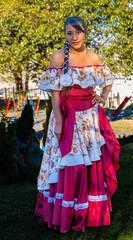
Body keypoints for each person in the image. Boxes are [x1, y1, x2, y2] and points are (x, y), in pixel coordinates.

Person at [35, 16, 120, 233]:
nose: (74, 37)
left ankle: (89, 213)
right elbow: (54, 93)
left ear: (85, 32)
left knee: (89, 165)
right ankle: (67, 215)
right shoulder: (58, 57)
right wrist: (59, 122)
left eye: (78, 32)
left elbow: (108, 81)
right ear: (65, 35)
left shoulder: (94, 56)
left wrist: (102, 97)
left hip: (90, 118)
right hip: (65, 115)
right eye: (69, 33)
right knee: (68, 164)